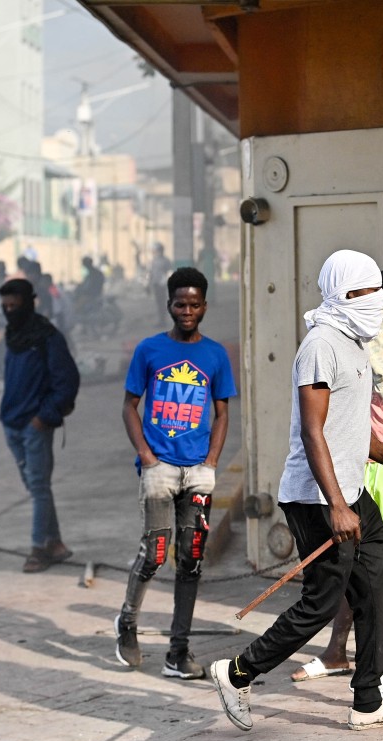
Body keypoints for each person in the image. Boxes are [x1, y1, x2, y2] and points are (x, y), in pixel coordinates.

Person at [211, 250, 383, 732]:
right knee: (323, 601)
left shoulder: (354, 343)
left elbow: (349, 425)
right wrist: (336, 505)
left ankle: (368, 701)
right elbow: (314, 431)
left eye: (379, 293)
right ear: (344, 295)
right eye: (368, 293)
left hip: (353, 493)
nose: (378, 301)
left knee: (380, 590)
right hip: (317, 499)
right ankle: (237, 672)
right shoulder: (320, 345)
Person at [290, 268, 383, 690]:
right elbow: (320, 428)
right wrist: (340, 503)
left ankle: (376, 670)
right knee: (353, 578)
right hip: (354, 471)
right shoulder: (333, 345)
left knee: (379, 572)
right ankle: (246, 670)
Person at [115, 267, 237, 680]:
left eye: (195, 304)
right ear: (168, 305)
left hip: (198, 473)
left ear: (205, 305)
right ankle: (127, 623)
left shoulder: (215, 355)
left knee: (192, 562)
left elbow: (222, 414)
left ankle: (177, 652)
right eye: (180, 304)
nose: (188, 311)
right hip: (160, 469)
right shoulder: (149, 350)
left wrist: (212, 463)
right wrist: (147, 458)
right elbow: (130, 406)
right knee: (155, 554)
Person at [0, 279, 80, 573]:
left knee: (39, 487)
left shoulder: (48, 337)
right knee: (37, 488)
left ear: (29, 303)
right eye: (5, 306)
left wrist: (43, 417)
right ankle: (54, 543)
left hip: (35, 425)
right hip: (12, 423)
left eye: (14, 305)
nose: (9, 311)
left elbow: (67, 382)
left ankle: (37, 550)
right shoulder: (12, 335)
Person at [148, 243, 173, 324]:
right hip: (155, 283)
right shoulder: (154, 260)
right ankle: (160, 320)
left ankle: (163, 320)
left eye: (157, 250)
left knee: (162, 302)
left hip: (161, 284)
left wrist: (165, 280)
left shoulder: (165, 260)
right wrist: (149, 283)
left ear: (161, 251)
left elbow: (169, 272)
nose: (155, 252)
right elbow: (151, 272)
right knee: (158, 302)